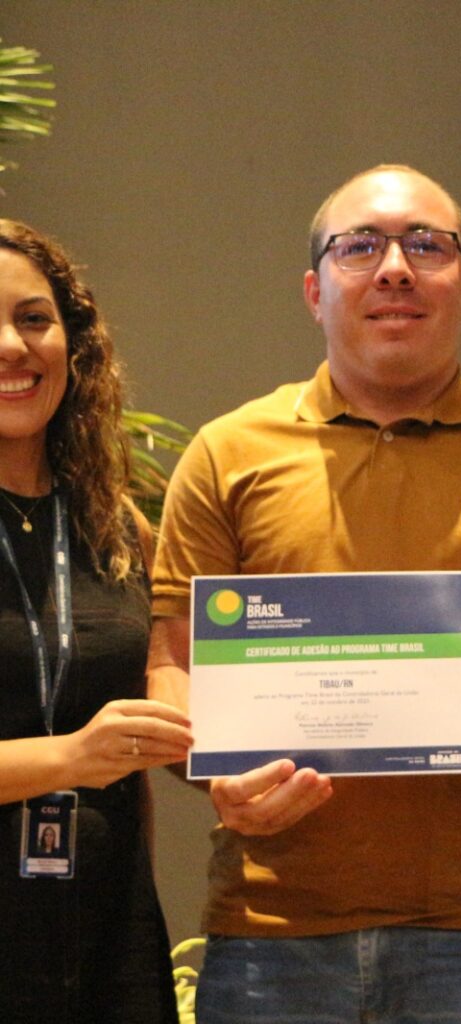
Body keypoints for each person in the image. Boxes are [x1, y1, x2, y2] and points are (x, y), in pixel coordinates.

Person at [147, 164, 461, 1023]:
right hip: (272, 933)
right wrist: (213, 771)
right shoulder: (226, 455)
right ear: (314, 290)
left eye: (428, 246)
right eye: (360, 246)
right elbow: (175, 671)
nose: (396, 268)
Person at [0, 220, 194, 1022]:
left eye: (34, 319)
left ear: (74, 345)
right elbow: (92, 751)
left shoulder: (118, 527)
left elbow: (163, 685)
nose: (11, 346)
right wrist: (72, 758)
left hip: (109, 937)